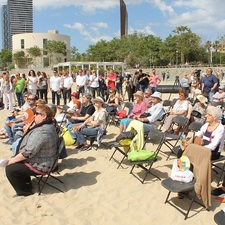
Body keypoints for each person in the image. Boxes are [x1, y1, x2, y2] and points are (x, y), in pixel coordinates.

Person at [5, 104, 58, 196]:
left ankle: (25, 192)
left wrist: (12, 161)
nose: (34, 116)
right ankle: (27, 184)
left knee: (10, 169)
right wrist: (27, 131)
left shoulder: (43, 131)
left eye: (37, 114)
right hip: (44, 158)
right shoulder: (48, 125)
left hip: (42, 164)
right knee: (15, 160)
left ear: (44, 116)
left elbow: (29, 152)